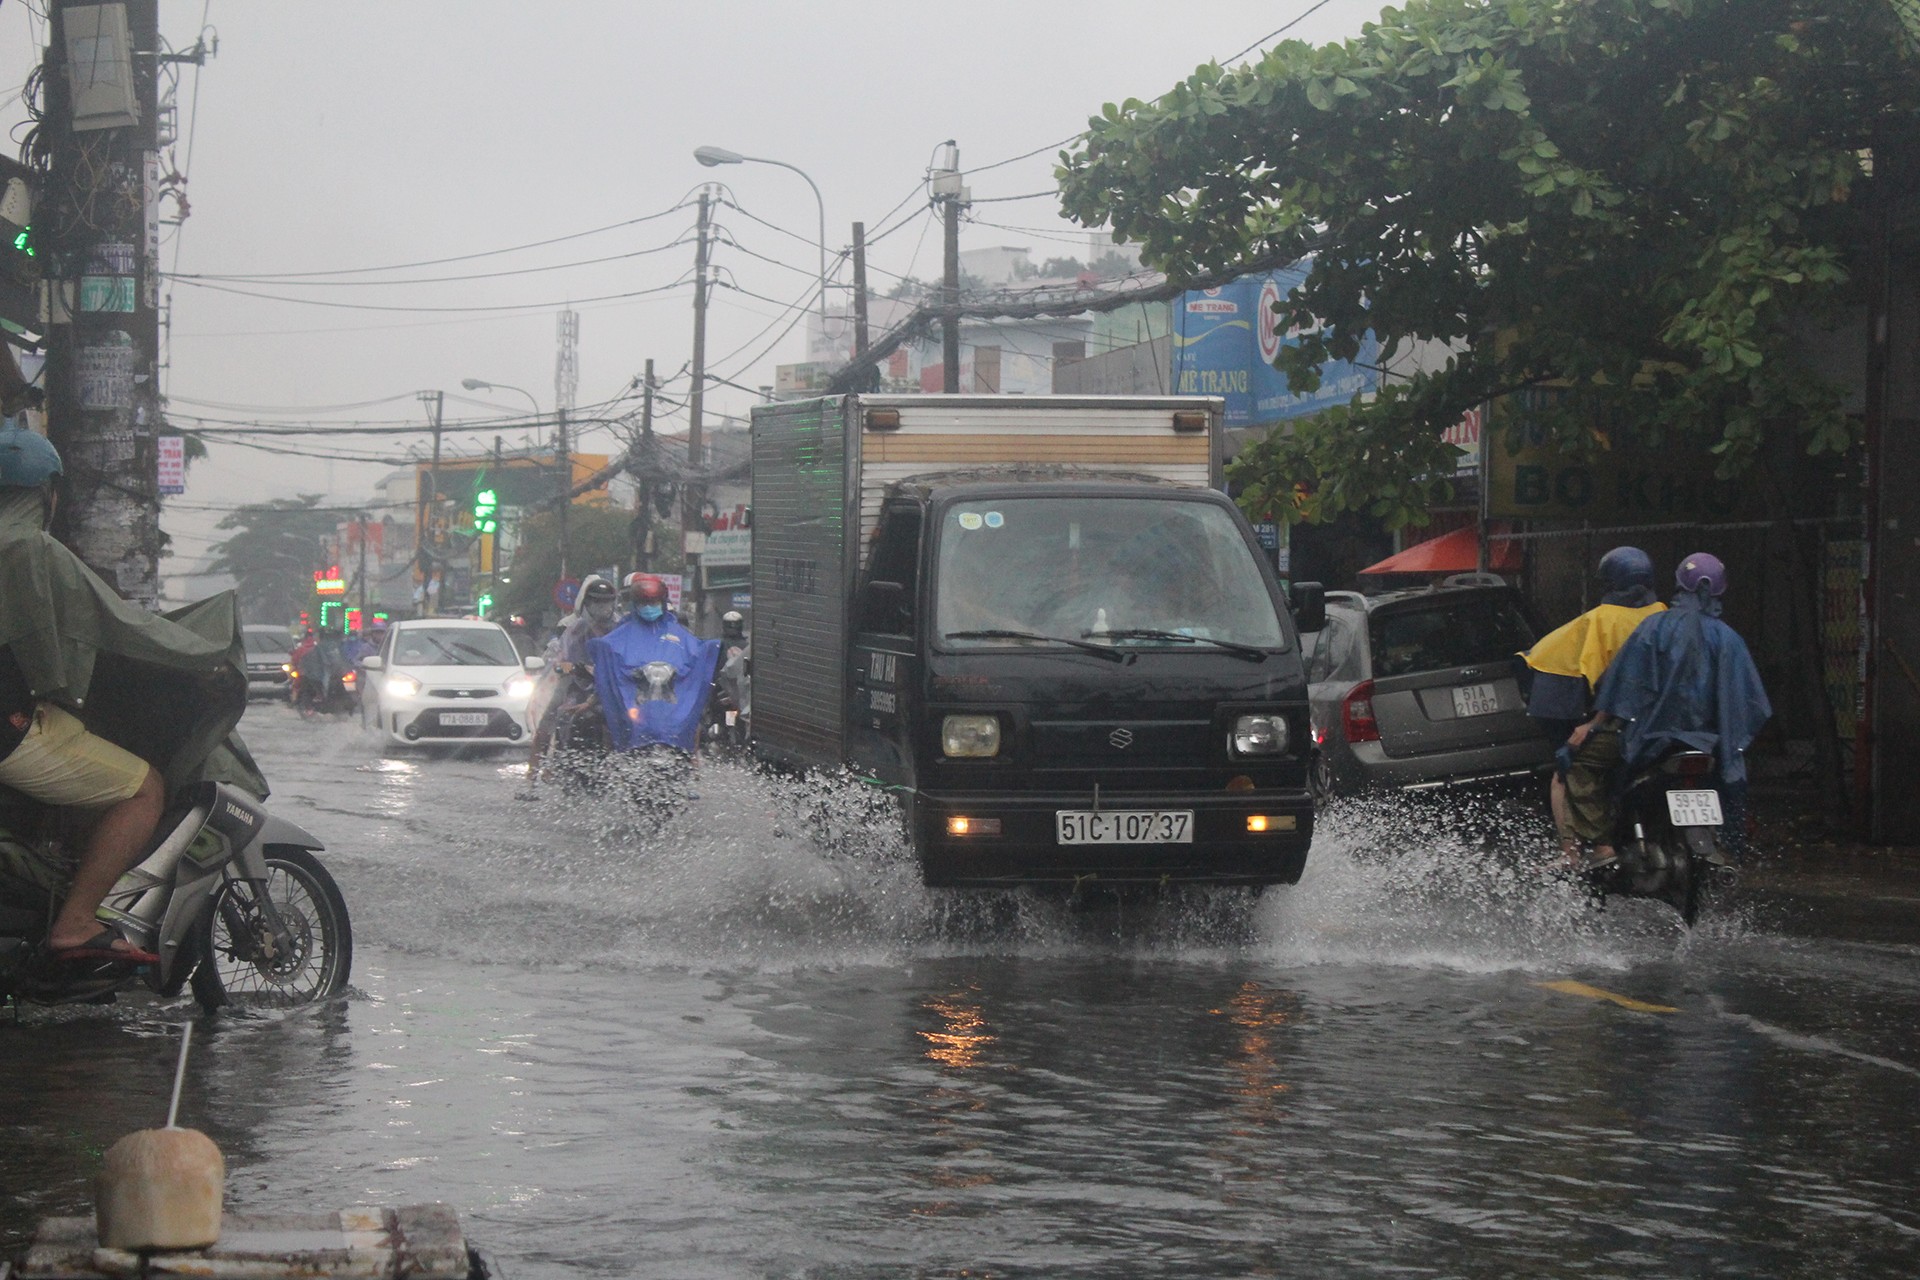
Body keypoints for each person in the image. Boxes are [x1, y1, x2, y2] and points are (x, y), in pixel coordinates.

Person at [0, 428, 174, 961]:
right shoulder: (26, 547)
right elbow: (99, 628)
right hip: (10, 728)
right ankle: (75, 923)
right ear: (47, 492)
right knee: (145, 789)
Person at [1557, 552, 1772, 867]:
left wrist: (1593, 724)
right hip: (1706, 743)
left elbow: (1621, 686)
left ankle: (1603, 846)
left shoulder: (1653, 628)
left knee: (1580, 762)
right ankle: (1723, 848)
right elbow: (1748, 701)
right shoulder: (1729, 639)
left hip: (1648, 739)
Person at [589, 574, 720, 753]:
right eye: (644, 603)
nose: (649, 608)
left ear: (663, 602)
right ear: (635, 603)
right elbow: (607, 660)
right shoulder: (621, 634)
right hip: (635, 704)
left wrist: (714, 649)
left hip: (670, 706)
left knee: (695, 720)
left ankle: (692, 758)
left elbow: (696, 653)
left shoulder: (678, 633)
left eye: (654, 603)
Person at [522, 575, 615, 788]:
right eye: (596, 602)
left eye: (606, 602)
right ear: (586, 602)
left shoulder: (620, 626)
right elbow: (561, 659)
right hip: (576, 684)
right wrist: (571, 667)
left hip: (610, 685)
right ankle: (532, 776)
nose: (602, 607)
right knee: (551, 716)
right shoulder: (572, 627)